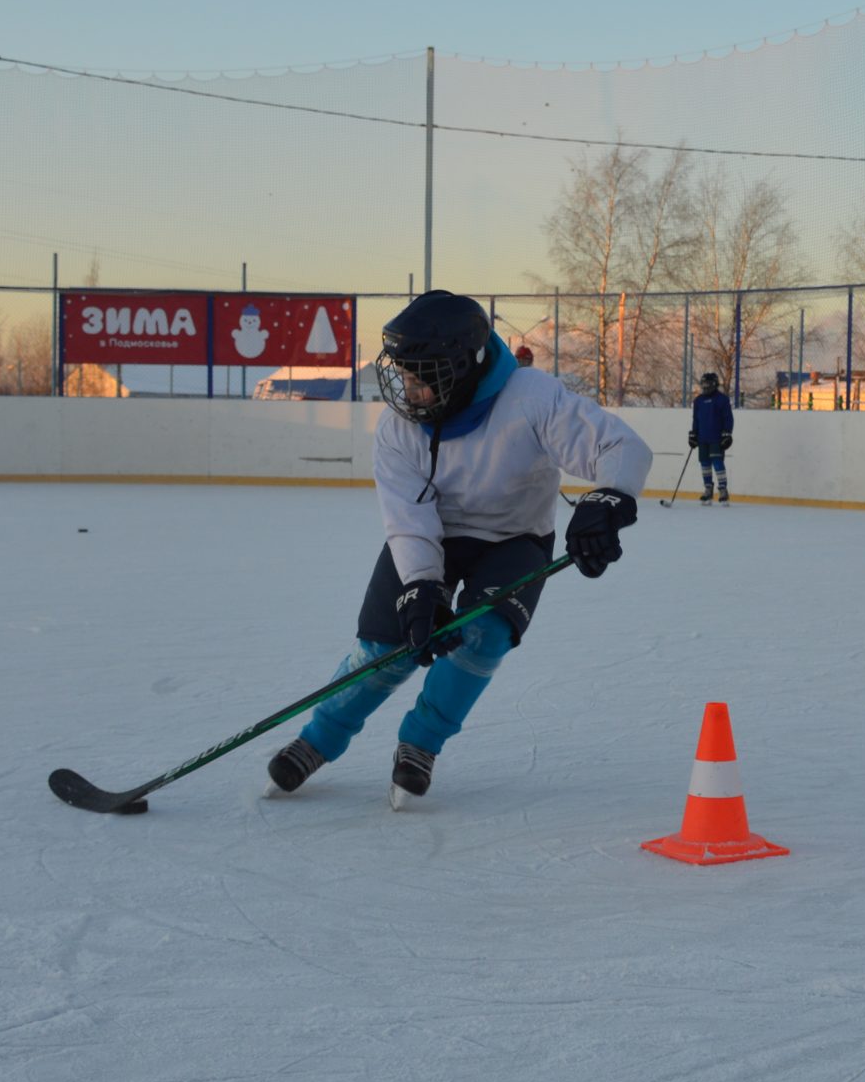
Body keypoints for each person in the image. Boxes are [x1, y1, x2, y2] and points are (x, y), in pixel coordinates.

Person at [267, 290, 652, 807]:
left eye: (421, 375)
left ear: (461, 368)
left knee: (484, 633)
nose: (408, 388)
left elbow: (621, 447)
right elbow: (407, 518)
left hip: (514, 538)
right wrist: (422, 585)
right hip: (432, 537)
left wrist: (606, 500)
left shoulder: (532, 397)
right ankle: (320, 738)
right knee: (389, 646)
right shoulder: (398, 427)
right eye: (402, 373)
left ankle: (420, 743)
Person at [689, 370, 734, 505]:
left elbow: (728, 418)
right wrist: (693, 433)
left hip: (716, 438)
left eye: (708, 384)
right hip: (703, 438)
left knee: (717, 462)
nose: (705, 386)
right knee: (705, 464)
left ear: (714, 384)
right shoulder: (698, 401)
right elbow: (696, 419)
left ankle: (723, 490)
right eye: (703, 384)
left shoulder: (722, 399)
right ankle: (708, 489)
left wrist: (727, 433)